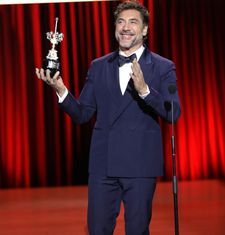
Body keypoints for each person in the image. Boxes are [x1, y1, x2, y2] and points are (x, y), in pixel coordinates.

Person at [36, 1, 181, 234]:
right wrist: (61, 90)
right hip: (104, 167)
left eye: (133, 22)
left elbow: (173, 112)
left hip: (140, 167)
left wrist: (145, 90)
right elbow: (82, 113)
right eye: (121, 22)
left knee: (137, 230)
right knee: (97, 230)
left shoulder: (163, 67)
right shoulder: (99, 66)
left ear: (144, 30)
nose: (125, 27)